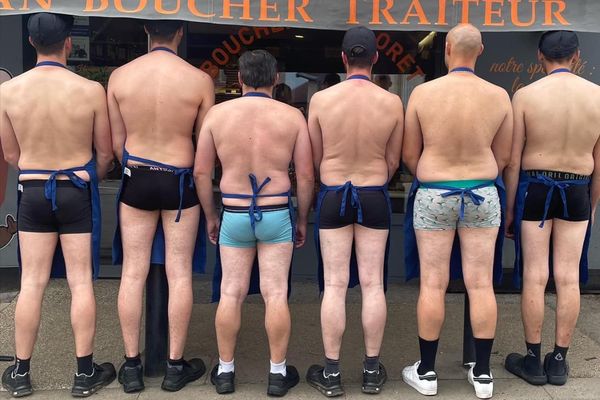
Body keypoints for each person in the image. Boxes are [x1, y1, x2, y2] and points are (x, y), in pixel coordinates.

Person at [0, 13, 115, 397]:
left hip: (33, 190)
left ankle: (20, 374)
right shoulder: (89, 90)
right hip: (75, 189)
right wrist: (87, 177)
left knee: (31, 282)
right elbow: (105, 154)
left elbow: (12, 154)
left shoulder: (8, 92)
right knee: (81, 281)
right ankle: (84, 375)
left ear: (32, 43)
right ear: (69, 43)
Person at [401, 24, 512, 399]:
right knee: (481, 283)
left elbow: (410, 154)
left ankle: (428, 372)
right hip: (482, 192)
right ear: (480, 50)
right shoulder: (499, 96)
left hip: (434, 191)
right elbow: (505, 156)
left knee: (433, 283)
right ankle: (482, 374)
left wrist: (433, 174)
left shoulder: (422, 93)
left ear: (446, 48)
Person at [194, 49, 314, 397]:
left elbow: (202, 172)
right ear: (276, 80)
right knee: (275, 293)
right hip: (276, 211)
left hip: (234, 210)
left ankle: (226, 371)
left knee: (230, 292)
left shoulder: (217, 115)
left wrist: (210, 215)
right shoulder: (292, 117)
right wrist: (302, 218)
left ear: (241, 78)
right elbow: (306, 176)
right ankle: (277, 374)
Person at [107, 19, 214, 393]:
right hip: (179, 180)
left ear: (146, 33)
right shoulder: (199, 80)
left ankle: (132, 366)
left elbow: (118, 145)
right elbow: (205, 147)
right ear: (180, 33)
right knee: (179, 273)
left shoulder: (120, 77)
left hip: (137, 175)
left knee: (133, 273)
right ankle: (173, 367)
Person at [306, 26, 404, 397]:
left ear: (343, 58)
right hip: (374, 194)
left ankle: (331, 374)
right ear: (376, 59)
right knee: (373, 284)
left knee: (334, 285)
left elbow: (314, 157)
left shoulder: (321, 100)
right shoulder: (392, 102)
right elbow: (393, 159)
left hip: (334, 193)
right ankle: (371, 369)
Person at [504, 31, 600, 387]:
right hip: (577, 186)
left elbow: (513, 162)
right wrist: (590, 206)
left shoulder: (526, 96)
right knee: (568, 276)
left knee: (535, 275)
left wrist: (512, 208)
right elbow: (599, 163)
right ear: (575, 56)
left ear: (540, 58)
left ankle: (532, 359)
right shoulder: (598, 96)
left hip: (537, 186)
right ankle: (559, 360)